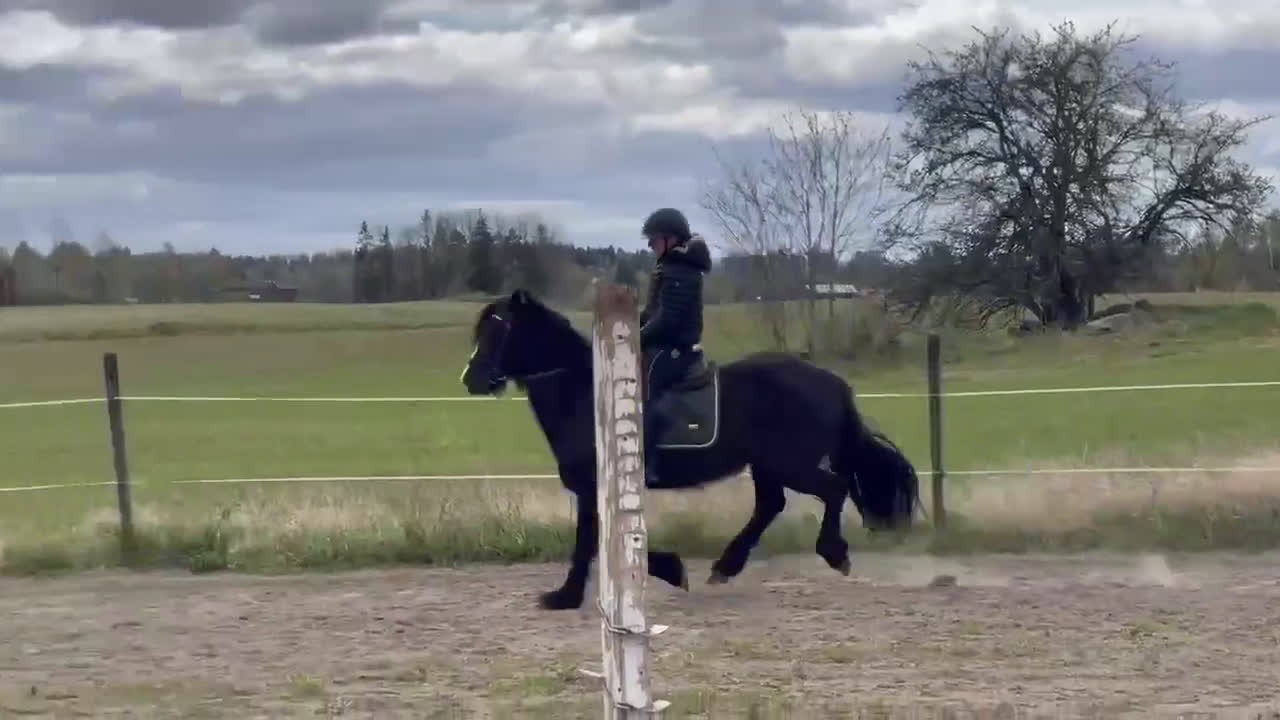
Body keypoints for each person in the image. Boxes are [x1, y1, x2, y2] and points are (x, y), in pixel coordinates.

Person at [638, 207, 712, 488]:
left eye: (654, 239)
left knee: (649, 394)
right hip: (664, 345)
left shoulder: (681, 271)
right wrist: (628, 329)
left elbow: (668, 320)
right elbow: (652, 313)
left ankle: (649, 464)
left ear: (671, 239)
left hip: (676, 350)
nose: (650, 245)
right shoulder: (669, 268)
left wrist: (637, 339)